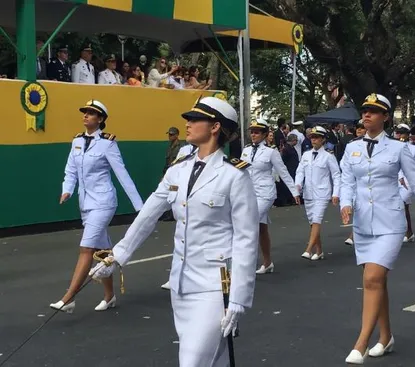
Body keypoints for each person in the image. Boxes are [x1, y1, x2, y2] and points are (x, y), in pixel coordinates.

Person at [89, 96, 259, 367]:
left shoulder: (234, 176)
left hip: (215, 287)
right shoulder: (177, 171)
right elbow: (148, 215)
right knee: (214, 360)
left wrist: (239, 297)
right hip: (180, 284)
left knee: (192, 362)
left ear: (215, 127)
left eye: (195, 119)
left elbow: (247, 239)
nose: (187, 124)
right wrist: (117, 256)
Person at [341, 94, 415, 364]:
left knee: (372, 279)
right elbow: (346, 180)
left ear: (386, 117)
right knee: (377, 283)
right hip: (363, 224)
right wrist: (345, 202)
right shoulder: (351, 147)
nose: (366, 115)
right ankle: (385, 336)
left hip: (390, 223)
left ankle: (361, 342)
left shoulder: (399, 149)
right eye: (364, 111)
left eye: (373, 112)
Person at [50, 100, 143, 313]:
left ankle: (69, 298)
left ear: (100, 119)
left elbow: (122, 175)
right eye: (85, 112)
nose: (86, 116)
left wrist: (141, 208)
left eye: (91, 113)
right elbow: (70, 171)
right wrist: (67, 189)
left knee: (86, 248)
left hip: (104, 202)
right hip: (86, 203)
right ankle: (109, 296)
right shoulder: (76, 141)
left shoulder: (108, 144)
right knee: (102, 251)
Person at [240, 119, 300, 274]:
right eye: (251, 131)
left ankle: (245, 263)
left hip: (265, 193)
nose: (253, 134)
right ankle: (267, 263)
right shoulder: (245, 150)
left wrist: (294, 192)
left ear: (265, 134)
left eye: (257, 132)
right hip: (249, 192)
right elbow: (241, 172)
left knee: (250, 222)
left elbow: (283, 172)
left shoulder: (271, 152)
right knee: (261, 227)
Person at [295, 126, 340, 260]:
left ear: (323, 140)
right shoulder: (306, 155)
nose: (313, 140)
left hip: (322, 193)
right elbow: (300, 171)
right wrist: (297, 186)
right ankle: (319, 250)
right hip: (308, 193)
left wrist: (335, 193)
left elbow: (336, 175)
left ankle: (308, 249)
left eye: (316, 138)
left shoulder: (328, 156)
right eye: (312, 137)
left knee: (317, 220)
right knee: (312, 223)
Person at [394, 123, 415, 243]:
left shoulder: (414, 149)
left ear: (407, 135)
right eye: (397, 133)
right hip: (394, 179)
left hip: (408, 180)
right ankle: (407, 231)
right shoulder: (392, 147)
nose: (399, 135)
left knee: (402, 203)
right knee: (399, 206)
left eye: (402, 133)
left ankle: (405, 231)